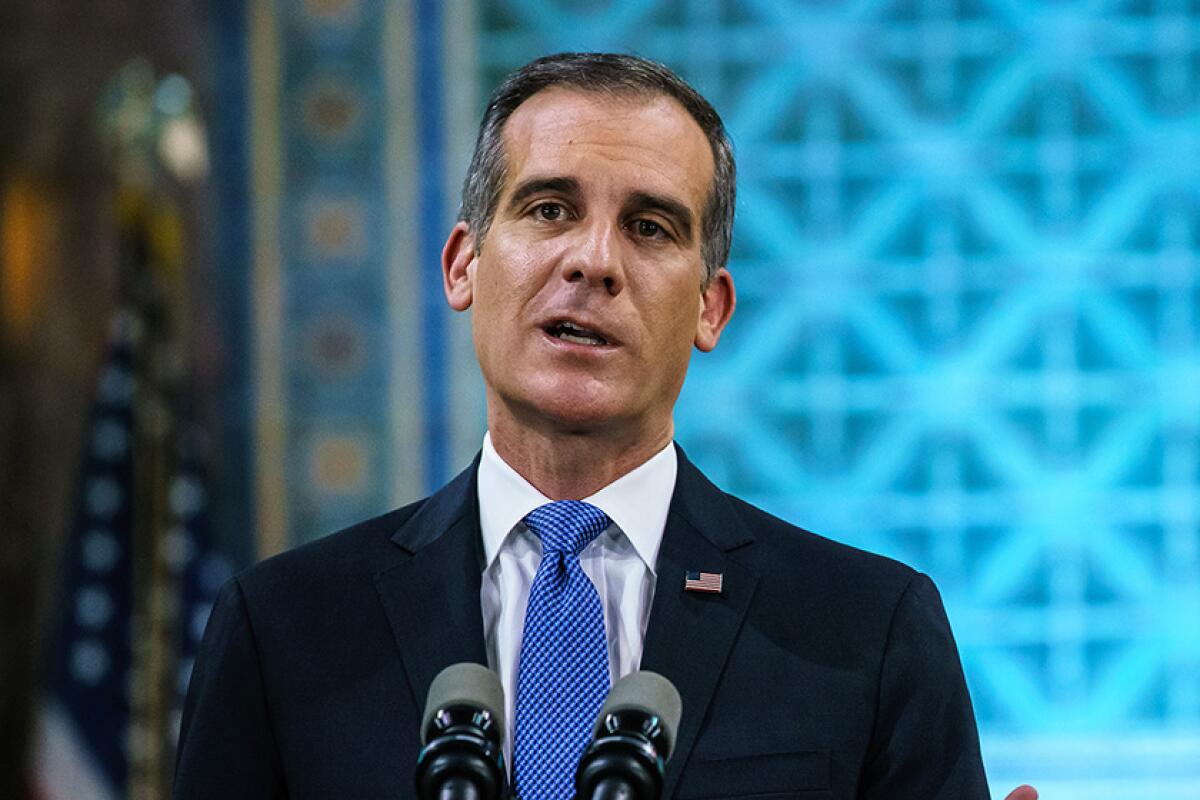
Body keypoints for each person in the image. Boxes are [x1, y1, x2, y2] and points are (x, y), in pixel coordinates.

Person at [175, 53, 1038, 800]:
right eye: (549, 209)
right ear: (463, 264)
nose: (593, 261)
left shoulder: (869, 630)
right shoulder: (283, 628)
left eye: (650, 227)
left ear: (711, 307)